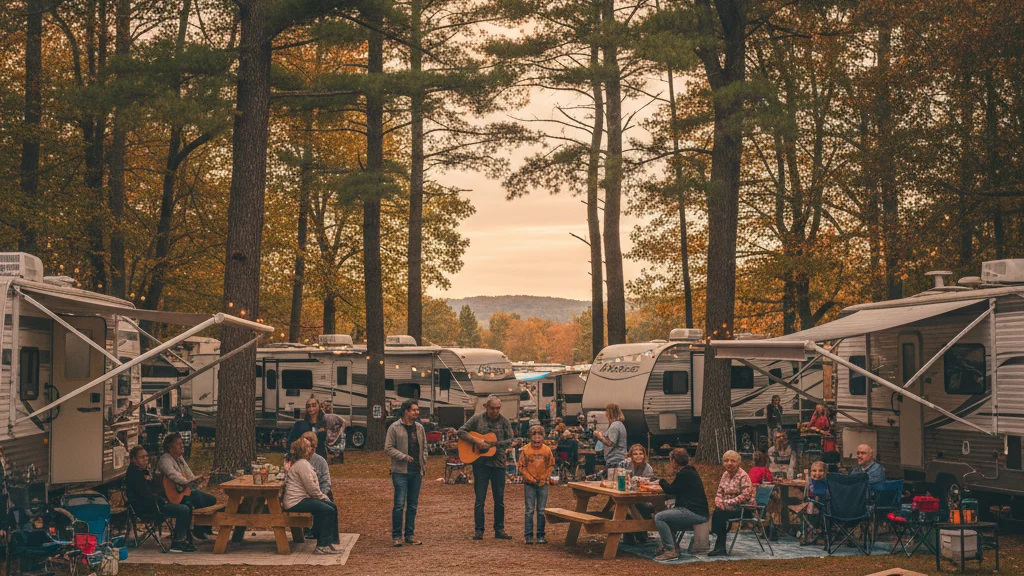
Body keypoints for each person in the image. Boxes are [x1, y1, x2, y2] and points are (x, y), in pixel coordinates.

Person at [458, 395, 514, 540]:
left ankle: (499, 529)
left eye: (498, 408)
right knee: (480, 499)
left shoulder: (504, 421)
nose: (495, 411)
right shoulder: (477, 419)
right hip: (480, 464)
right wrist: (476, 441)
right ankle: (479, 530)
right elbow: (461, 431)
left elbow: (510, 440)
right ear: (486, 407)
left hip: (498, 464)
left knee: (499, 499)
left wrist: (493, 444)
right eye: (492, 408)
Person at [126, 446, 195, 553]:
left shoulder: (142, 471)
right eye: (142, 457)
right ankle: (177, 544)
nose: (146, 459)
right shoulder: (135, 475)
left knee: (187, 504)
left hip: (154, 504)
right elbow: (146, 496)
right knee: (183, 509)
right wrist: (163, 500)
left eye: (146, 456)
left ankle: (183, 538)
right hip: (147, 509)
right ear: (134, 459)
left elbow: (152, 490)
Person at [283, 438, 341, 555]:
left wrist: (322, 498)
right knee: (328, 510)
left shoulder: (303, 463)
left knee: (332, 506)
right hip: (296, 502)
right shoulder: (302, 465)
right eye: (309, 446)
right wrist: (322, 497)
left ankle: (328, 541)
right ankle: (322, 545)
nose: (312, 449)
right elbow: (311, 488)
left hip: (302, 498)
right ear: (304, 450)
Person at [653, 448, 709, 561]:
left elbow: (670, 490)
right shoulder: (690, 471)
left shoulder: (684, 474)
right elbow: (679, 490)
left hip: (693, 512)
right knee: (666, 514)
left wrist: (660, 481)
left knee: (659, 517)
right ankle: (672, 545)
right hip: (698, 511)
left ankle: (670, 550)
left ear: (673, 460)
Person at [157, 433, 216, 539]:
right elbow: (173, 475)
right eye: (179, 444)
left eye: (182, 443)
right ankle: (199, 531)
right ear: (170, 446)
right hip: (168, 496)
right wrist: (189, 483)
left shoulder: (180, 458)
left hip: (182, 492)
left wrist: (199, 480)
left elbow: (190, 476)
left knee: (211, 499)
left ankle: (203, 529)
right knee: (197, 496)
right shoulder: (165, 459)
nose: (182, 446)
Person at [384, 399, 427, 547]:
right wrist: (404, 457)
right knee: (399, 504)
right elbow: (388, 448)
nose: (416, 412)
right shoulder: (394, 428)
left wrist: (423, 463)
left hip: (416, 471)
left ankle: (410, 535)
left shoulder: (420, 428)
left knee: (413, 505)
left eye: (417, 410)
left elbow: (424, 447)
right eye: (413, 410)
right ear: (406, 411)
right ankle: (397, 536)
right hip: (400, 472)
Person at [708, 450, 755, 557]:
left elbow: (745, 495)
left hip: (744, 509)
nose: (729, 463)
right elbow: (719, 492)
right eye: (726, 461)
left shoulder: (743, 476)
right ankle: (719, 545)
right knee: (719, 510)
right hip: (727, 508)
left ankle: (719, 543)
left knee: (720, 513)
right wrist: (718, 501)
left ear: (738, 462)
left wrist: (728, 502)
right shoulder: (725, 474)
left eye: (733, 461)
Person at [518, 425, 554, 545]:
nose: (537, 440)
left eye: (539, 437)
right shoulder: (526, 450)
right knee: (529, 510)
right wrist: (531, 478)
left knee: (541, 510)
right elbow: (521, 466)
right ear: (530, 437)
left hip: (543, 483)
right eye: (534, 437)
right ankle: (528, 535)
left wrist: (544, 477)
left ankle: (540, 535)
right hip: (529, 483)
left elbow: (551, 465)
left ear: (543, 437)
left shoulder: (547, 450)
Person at [593, 403, 627, 469]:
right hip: (619, 458)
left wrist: (599, 436)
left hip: (614, 460)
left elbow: (610, 443)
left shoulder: (614, 426)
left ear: (609, 413)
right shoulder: (620, 424)